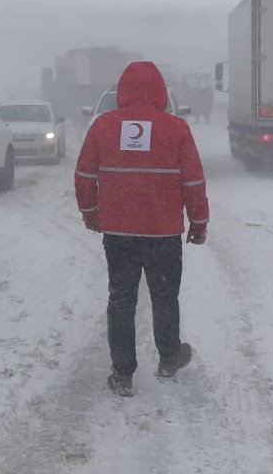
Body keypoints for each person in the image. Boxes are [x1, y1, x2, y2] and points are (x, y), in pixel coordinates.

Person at [74, 61, 209, 397]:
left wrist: (92, 215)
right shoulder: (176, 129)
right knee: (165, 296)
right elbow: (193, 181)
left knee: (121, 300)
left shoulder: (103, 127)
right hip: (163, 233)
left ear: (122, 91)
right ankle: (168, 358)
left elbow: (84, 177)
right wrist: (199, 222)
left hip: (119, 233)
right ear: (161, 91)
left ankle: (122, 373)